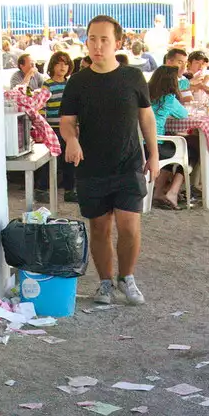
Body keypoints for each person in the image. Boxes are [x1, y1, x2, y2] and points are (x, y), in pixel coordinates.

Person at [58, 15, 159, 306]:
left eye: (104, 39)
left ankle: (126, 277)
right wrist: (72, 140)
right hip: (92, 167)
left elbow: (146, 117)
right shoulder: (78, 82)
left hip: (128, 164)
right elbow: (66, 122)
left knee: (129, 227)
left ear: (118, 42)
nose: (97, 45)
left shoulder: (133, 77)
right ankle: (104, 283)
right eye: (92, 39)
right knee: (100, 228)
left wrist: (153, 155)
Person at [147, 65, 191, 210]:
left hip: (139, 144)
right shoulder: (169, 99)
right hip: (156, 145)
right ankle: (172, 192)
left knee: (171, 148)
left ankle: (159, 192)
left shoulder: (144, 94)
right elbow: (184, 114)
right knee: (190, 153)